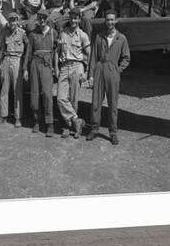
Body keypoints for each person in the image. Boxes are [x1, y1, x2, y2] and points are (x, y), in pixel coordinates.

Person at [86, 10, 130, 145]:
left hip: (112, 71)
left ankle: (113, 132)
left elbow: (126, 57)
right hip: (99, 68)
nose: (110, 22)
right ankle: (94, 129)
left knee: (113, 104)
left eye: (112, 20)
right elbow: (93, 57)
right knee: (96, 103)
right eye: (108, 20)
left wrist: (118, 69)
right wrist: (91, 75)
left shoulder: (121, 38)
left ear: (115, 21)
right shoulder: (99, 37)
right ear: (105, 21)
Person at [56, 8, 91, 139]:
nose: (73, 20)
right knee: (60, 98)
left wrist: (87, 71)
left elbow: (89, 53)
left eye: (76, 18)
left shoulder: (82, 35)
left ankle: (68, 127)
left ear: (79, 20)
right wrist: (56, 67)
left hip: (77, 66)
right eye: (72, 18)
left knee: (73, 99)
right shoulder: (63, 33)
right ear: (69, 19)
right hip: (64, 66)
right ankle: (77, 120)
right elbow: (57, 52)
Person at [23, 9, 58, 137]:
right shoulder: (33, 34)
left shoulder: (53, 33)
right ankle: (37, 120)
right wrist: (25, 69)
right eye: (40, 18)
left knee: (48, 95)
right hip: (34, 64)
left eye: (44, 18)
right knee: (35, 94)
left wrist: (56, 67)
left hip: (47, 65)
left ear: (47, 19)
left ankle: (50, 124)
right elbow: (28, 53)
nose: (42, 20)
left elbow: (56, 52)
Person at [0, 11, 28, 128]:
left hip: (17, 61)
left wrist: (25, 66)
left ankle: (18, 118)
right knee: (4, 89)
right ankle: (3, 116)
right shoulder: (4, 32)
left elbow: (28, 49)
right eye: (11, 20)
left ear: (18, 21)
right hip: (6, 59)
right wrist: (0, 64)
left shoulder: (23, 33)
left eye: (15, 20)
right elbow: (1, 48)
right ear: (8, 21)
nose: (13, 22)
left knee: (17, 90)